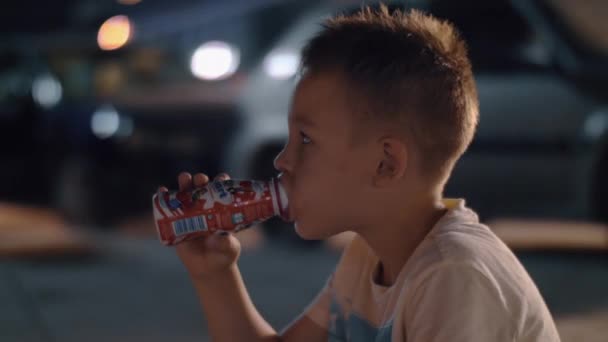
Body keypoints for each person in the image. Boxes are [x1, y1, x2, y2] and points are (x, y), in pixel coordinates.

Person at [165, 5, 561, 341]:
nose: (281, 160)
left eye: (305, 140)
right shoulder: (367, 256)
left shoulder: (454, 274)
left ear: (386, 163)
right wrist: (215, 274)